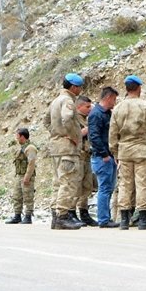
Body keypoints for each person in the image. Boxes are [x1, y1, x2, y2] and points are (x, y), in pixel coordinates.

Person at [109, 74, 146, 230]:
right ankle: (142, 219)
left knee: (125, 184)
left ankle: (124, 220)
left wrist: (115, 152)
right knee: (142, 184)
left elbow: (112, 133)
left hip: (124, 151)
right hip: (141, 151)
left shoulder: (118, 107)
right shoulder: (145, 106)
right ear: (139, 88)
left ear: (126, 88)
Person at [46, 72, 85, 230]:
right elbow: (67, 118)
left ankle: (55, 217)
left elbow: (46, 121)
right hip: (67, 148)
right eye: (80, 87)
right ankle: (62, 216)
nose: (80, 90)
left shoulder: (55, 101)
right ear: (74, 87)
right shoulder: (68, 101)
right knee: (68, 182)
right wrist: (71, 135)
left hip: (55, 147)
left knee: (58, 182)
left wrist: (56, 133)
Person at [88, 85, 119, 228]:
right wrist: (104, 154)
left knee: (109, 188)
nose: (114, 102)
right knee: (104, 188)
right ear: (108, 98)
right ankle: (104, 219)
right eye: (113, 99)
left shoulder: (107, 113)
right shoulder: (96, 114)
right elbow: (93, 136)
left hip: (109, 156)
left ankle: (106, 217)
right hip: (102, 158)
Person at [5, 127, 37, 224]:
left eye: (17, 136)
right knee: (17, 196)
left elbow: (31, 163)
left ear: (22, 136)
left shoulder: (30, 148)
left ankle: (28, 216)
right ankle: (17, 215)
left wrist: (27, 177)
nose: (16, 138)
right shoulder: (22, 148)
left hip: (26, 176)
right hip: (19, 176)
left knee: (28, 196)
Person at [74, 95, 97, 226]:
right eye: (87, 107)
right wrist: (88, 129)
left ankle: (84, 212)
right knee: (75, 185)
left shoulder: (86, 119)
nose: (89, 109)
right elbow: (74, 135)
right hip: (77, 155)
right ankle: (71, 212)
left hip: (87, 155)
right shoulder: (73, 118)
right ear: (79, 106)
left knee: (87, 186)